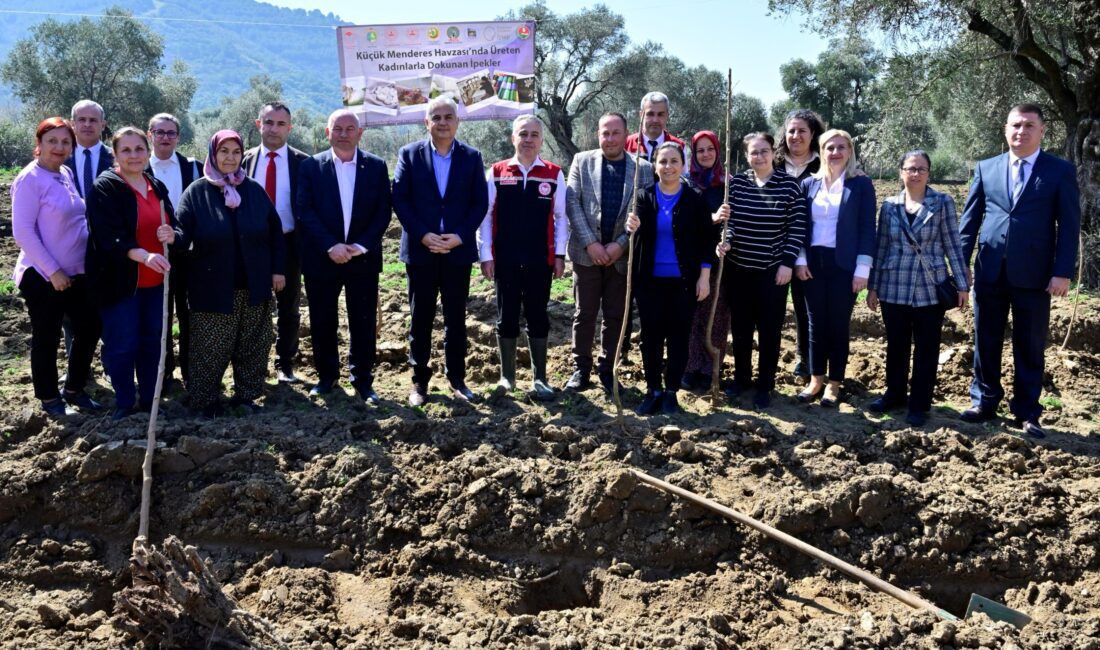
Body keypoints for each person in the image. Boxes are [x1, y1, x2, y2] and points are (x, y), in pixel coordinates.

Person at [958, 103, 1080, 438]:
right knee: (986, 339)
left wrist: (1062, 271)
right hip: (990, 271)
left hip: (1036, 275)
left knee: (1029, 344)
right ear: (1005, 129)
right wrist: (960, 267)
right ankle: (984, 401)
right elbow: (969, 223)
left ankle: (1028, 411)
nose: (1020, 131)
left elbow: (1069, 226)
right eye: (1015, 125)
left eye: (1028, 126)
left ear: (1042, 131)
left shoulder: (1059, 171)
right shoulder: (987, 168)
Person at [174, 130, 286, 416]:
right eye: (224, 151)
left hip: (254, 285)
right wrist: (169, 236)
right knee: (210, 349)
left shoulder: (253, 190)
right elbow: (181, 233)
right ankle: (205, 401)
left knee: (253, 344)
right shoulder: (197, 192)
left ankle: (246, 397)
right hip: (212, 288)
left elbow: (275, 233)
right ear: (213, 153)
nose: (230, 157)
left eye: (236, 152)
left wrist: (277, 270)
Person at [392, 96, 489, 406]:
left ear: (457, 122)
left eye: (449, 116)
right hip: (421, 252)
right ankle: (419, 383)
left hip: (456, 252)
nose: (443, 122)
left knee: (456, 319)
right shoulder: (409, 154)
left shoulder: (472, 157)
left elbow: (479, 203)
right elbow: (400, 200)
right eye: (437, 117)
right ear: (427, 122)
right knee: (420, 318)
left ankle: (457, 379)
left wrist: (460, 236)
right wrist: (423, 235)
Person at [866, 151, 970, 427]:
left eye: (921, 169)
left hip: (929, 286)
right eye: (910, 168)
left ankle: (920, 403)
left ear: (929, 173)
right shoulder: (889, 206)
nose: (916, 173)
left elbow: (952, 244)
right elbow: (881, 246)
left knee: (927, 348)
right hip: (894, 285)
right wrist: (873, 287)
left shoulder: (942, 202)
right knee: (896, 345)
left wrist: (962, 284)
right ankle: (894, 394)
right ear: (901, 172)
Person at [296, 109, 391, 402]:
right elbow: (304, 210)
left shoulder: (375, 166)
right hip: (322, 257)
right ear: (327, 132)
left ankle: (362, 380)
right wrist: (331, 245)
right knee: (323, 320)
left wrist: (361, 246)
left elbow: (382, 211)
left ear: (360, 133)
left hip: (362, 258)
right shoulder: (311, 167)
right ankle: (327, 378)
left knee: (362, 321)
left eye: (350, 128)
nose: (344, 133)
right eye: (338, 128)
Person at [85, 127, 180, 420]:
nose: (134, 155)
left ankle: (151, 400)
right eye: (125, 150)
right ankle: (125, 402)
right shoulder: (107, 186)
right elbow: (106, 234)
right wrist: (141, 255)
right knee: (123, 343)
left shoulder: (155, 185)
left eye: (139, 149)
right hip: (120, 283)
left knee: (152, 342)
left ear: (147, 150)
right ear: (115, 154)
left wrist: (173, 234)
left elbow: (174, 224)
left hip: (155, 282)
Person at [11, 117, 102, 416]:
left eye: (65, 142)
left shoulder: (64, 173)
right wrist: (53, 271)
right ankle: (50, 399)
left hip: (77, 272)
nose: (59, 147)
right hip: (43, 275)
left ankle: (74, 390)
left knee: (89, 328)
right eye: (53, 141)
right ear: (39, 144)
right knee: (46, 336)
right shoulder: (30, 179)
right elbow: (23, 232)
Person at [477, 115, 567, 400]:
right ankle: (507, 378)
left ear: (542, 140)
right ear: (512, 138)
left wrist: (561, 254)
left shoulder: (554, 173)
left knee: (538, 315)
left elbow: (561, 217)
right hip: (505, 259)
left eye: (534, 135)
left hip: (541, 259)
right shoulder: (497, 171)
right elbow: (485, 216)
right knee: (507, 316)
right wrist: (485, 254)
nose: (528, 139)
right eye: (523, 134)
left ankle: (540, 378)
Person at [716, 133, 807, 409]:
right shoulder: (738, 184)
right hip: (739, 270)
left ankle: (765, 384)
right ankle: (742, 379)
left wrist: (787, 263)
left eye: (764, 151)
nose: (759, 157)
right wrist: (727, 239)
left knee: (769, 331)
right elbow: (729, 222)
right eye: (754, 153)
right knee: (741, 329)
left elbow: (797, 228)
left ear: (773, 153)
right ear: (746, 156)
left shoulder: (789, 186)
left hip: (772, 272)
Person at [565, 112, 653, 393]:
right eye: (605, 133)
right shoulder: (582, 161)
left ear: (626, 135)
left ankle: (608, 369)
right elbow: (573, 204)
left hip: (622, 257)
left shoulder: (644, 168)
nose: (610, 138)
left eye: (616, 133)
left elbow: (642, 211)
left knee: (615, 316)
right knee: (585, 313)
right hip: (585, 255)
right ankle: (581, 368)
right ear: (597, 134)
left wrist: (620, 244)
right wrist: (591, 243)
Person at [624, 142, 713, 414]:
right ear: (654, 165)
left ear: (683, 165)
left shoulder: (695, 199)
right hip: (649, 282)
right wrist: (632, 228)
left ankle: (671, 391)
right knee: (651, 338)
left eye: (674, 161)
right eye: (662, 162)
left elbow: (706, 241)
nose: (668, 167)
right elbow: (635, 235)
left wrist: (704, 278)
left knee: (678, 337)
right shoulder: (644, 196)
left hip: (684, 282)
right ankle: (653, 390)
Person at [794, 129, 876, 406]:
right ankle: (816, 379)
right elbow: (801, 226)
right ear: (821, 151)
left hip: (845, 265)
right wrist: (800, 259)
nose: (835, 152)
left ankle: (834, 383)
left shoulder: (861, 185)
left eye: (841, 147)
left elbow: (867, 228)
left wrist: (863, 269)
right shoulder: (809, 184)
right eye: (830, 147)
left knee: (838, 324)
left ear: (850, 152)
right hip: (813, 263)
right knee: (815, 323)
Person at [242, 102, 311, 384]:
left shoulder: (304, 163)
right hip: (252, 246)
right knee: (251, 306)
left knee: (289, 308)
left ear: (289, 128)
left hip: (290, 244)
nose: (274, 129)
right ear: (259, 124)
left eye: (281, 124)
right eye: (268, 122)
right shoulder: (244, 160)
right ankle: (250, 365)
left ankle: (285, 364)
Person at [146, 112, 200, 387]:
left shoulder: (193, 167)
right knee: (160, 315)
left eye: (170, 133)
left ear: (178, 137)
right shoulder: (139, 167)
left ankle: (191, 371)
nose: (165, 138)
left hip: (189, 254)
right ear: (150, 135)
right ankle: (163, 372)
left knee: (189, 313)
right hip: (153, 255)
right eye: (159, 132)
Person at [774, 109, 827, 380]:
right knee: (773, 308)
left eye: (802, 131)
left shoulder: (823, 165)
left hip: (809, 249)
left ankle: (807, 360)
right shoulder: (774, 163)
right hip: (773, 248)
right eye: (791, 131)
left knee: (806, 306)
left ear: (813, 134)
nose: (795, 136)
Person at [681, 130, 732, 392]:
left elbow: (734, 222)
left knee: (717, 314)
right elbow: (685, 222)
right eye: (700, 150)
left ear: (717, 151)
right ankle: (690, 367)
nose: (705, 154)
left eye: (710, 149)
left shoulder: (727, 184)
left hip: (720, 259)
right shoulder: (687, 183)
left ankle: (710, 367)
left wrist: (727, 237)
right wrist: (710, 219)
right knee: (692, 314)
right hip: (691, 258)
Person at [65, 100, 114, 199]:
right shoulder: (61, 158)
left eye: (93, 120)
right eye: (82, 119)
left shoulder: (116, 158)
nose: (87, 124)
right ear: (73, 124)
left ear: (103, 125)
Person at [625, 91, 687, 162]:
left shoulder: (679, 146)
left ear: (667, 115)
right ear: (641, 115)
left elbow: (683, 173)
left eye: (660, 114)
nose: (655, 120)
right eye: (650, 114)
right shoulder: (626, 144)